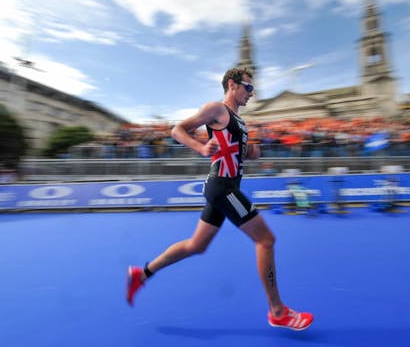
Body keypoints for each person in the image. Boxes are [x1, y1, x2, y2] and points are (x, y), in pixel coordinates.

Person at [126, 67, 313, 331]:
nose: (252, 92)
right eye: (248, 87)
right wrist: (201, 148)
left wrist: (251, 151)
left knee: (196, 245)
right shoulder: (217, 109)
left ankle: (142, 273)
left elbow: (236, 151)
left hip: (222, 186)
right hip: (222, 187)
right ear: (233, 85)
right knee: (266, 240)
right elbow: (177, 130)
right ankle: (278, 311)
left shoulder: (238, 120)